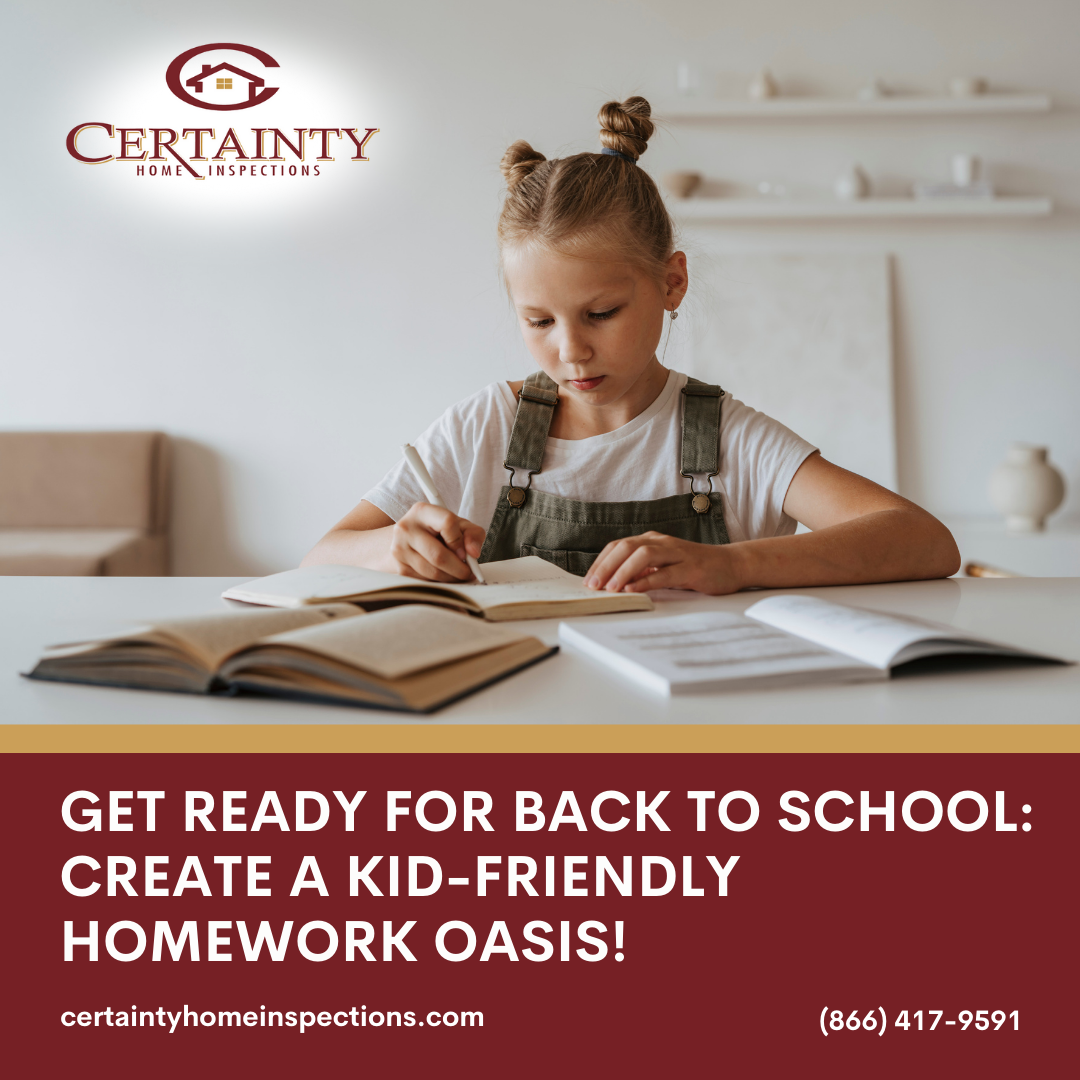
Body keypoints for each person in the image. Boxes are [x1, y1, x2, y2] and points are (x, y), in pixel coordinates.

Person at [303, 97, 959, 594]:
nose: (571, 351)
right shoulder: (485, 428)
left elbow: (924, 542)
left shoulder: (727, 437)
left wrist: (730, 563)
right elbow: (322, 555)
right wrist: (391, 548)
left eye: (601, 313)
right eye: (538, 322)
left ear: (671, 283)